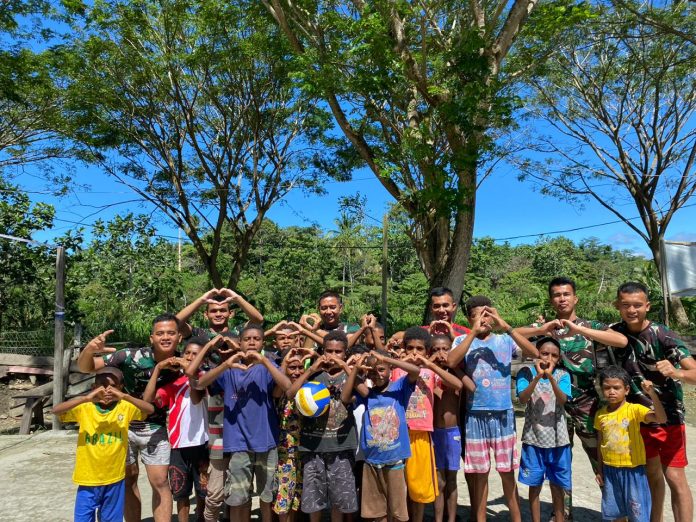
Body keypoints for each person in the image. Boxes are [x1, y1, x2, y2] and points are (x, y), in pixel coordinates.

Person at [516, 277, 628, 519]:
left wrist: (581, 330)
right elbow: (513, 335)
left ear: (575, 298)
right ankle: (562, 514)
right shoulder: (547, 332)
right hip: (554, 410)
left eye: (566, 294)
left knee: (603, 460)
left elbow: (621, 340)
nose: (562, 298)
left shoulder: (589, 325)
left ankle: (617, 514)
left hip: (588, 405)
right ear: (551, 300)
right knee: (559, 466)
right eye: (556, 295)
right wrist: (541, 329)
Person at [77, 315, 183, 522]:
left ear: (179, 337)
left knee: (160, 481)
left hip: (156, 426)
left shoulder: (184, 362)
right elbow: (86, 367)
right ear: (151, 337)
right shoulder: (129, 356)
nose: (165, 337)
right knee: (128, 478)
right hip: (122, 426)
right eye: (160, 333)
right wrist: (90, 349)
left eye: (171, 333)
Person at [447, 296, 539, 522]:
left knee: (507, 472)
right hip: (475, 415)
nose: (484, 319)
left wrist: (506, 326)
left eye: (488, 314)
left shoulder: (505, 341)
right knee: (480, 475)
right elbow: (450, 362)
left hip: (503, 415)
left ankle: (516, 518)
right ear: (469, 318)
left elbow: (534, 353)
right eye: (478, 315)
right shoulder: (462, 341)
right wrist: (472, 332)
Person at [611, 282, 696, 522]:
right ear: (618, 306)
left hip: (669, 417)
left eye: (638, 305)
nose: (632, 310)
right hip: (637, 419)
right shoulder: (615, 333)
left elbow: (694, 373)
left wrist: (676, 372)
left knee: (675, 477)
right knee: (651, 475)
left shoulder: (662, 333)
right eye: (625, 305)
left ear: (647, 306)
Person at [193, 324, 292, 522]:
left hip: (266, 442)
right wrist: (225, 365)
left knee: (267, 496)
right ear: (240, 343)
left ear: (263, 343)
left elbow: (287, 386)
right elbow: (199, 383)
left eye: (257, 339)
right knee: (238, 498)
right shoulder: (229, 370)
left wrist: (264, 360)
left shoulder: (267, 368)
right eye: (248, 339)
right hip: (238, 444)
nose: (252, 342)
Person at [54, 367, 155, 522]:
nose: (108, 390)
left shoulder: (125, 407)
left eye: (113, 386)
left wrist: (124, 397)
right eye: (102, 385)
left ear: (120, 388)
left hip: (115, 479)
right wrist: (86, 398)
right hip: (87, 479)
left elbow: (149, 409)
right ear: (94, 388)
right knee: (82, 518)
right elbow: (56, 410)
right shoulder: (84, 408)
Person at [340, 350, 421, 522]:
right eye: (372, 371)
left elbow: (415, 371)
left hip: (394, 461)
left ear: (390, 369)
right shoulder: (367, 395)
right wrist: (355, 369)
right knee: (376, 512)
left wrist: (386, 358)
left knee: (398, 511)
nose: (377, 374)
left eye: (382, 369)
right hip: (371, 461)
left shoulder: (399, 389)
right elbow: (345, 398)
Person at [287, 329, 359, 522]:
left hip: (341, 448)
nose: (333, 356)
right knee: (313, 499)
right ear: (322, 351)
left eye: (338, 352)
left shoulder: (349, 377)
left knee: (338, 500)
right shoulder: (313, 377)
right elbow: (290, 393)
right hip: (313, 447)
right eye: (329, 351)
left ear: (345, 354)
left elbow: (356, 395)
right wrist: (311, 369)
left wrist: (347, 368)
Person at [395, 327, 463, 522]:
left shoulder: (431, 372)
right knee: (403, 484)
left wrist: (430, 365)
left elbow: (457, 385)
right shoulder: (397, 370)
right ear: (403, 349)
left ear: (426, 352)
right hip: (401, 433)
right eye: (410, 348)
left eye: (420, 349)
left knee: (420, 486)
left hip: (423, 435)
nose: (415, 353)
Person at [143, 337, 209, 522]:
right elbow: (148, 399)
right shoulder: (173, 384)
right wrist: (157, 369)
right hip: (178, 445)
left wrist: (189, 369)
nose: (189, 357)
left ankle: (201, 518)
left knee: (203, 490)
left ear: (202, 359)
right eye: (186, 353)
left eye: (195, 354)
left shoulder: (204, 379)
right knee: (180, 492)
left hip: (202, 443)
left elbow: (196, 398)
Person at [594, 366, 667, 522]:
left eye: (616, 387)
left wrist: (652, 394)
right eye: (607, 388)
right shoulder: (601, 415)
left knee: (638, 514)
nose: (611, 391)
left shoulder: (634, 410)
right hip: (610, 470)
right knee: (616, 514)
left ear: (626, 390)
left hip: (634, 471)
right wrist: (599, 470)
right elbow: (601, 443)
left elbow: (661, 419)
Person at [516, 337, 572, 522]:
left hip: (558, 440)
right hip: (533, 439)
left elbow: (563, 399)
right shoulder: (526, 372)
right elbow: (523, 399)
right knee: (535, 485)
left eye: (554, 355)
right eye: (544, 353)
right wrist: (539, 376)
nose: (548, 358)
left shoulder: (563, 375)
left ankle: (559, 518)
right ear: (535, 353)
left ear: (559, 358)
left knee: (557, 485)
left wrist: (550, 378)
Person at [185, 334, 239, 522]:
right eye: (221, 348)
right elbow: (191, 375)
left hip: (242, 440)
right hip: (219, 442)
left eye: (230, 347)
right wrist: (208, 345)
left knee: (239, 493)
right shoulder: (212, 375)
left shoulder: (248, 371)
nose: (226, 351)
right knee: (215, 494)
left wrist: (239, 349)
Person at [431, 334, 473, 522]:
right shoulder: (427, 374)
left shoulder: (457, 373)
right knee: (438, 481)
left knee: (452, 480)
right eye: (436, 350)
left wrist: (453, 364)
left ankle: (452, 518)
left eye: (445, 349)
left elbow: (469, 387)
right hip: (433, 433)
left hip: (451, 433)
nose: (440, 353)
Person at [271, 348, 307, 522]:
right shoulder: (280, 390)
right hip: (285, 455)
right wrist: (284, 363)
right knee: (283, 498)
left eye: (301, 367)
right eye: (292, 367)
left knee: (297, 500)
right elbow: (280, 391)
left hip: (304, 452)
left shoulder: (307, 391)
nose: (297, 371)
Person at [176, 287, 264, 339]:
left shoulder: (238, 332)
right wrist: (201, 300)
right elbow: (175, 324)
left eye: (222, 310)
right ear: (206, 315)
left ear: (231, 314)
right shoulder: (197, 334)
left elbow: (258, 320)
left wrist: (237, 298)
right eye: (213, 311)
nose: (218, 314)